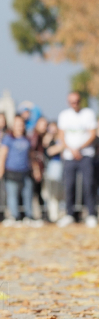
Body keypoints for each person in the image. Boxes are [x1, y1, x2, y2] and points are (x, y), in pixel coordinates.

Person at [57, 91, 97, 227]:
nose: (75, 104)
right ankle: (69, 214)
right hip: (69, 156)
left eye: (77, 101)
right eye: (72, 102)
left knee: (89, 185)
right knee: (69, 186)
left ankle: (91, 214)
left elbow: (92, 134)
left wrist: (79, 148)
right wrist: (72, 150)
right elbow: (61, 135)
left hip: (86, 155)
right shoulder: (64, 115)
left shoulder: (89, 114)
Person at [0, 115, 40, 226]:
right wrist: (0, 168)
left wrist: (35, 169)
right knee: (12, 195)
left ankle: (29, 216)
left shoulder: (27, 139)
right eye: (17, 124)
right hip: (11, 171)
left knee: (28, 194)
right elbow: (3, 154)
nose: (19, 127)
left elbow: (31, 156)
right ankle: (14, 216)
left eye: (21, 124)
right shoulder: (8, 138)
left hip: (25, 171)